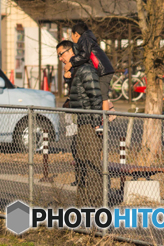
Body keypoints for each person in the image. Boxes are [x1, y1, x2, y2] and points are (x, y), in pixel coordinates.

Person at [59, 40, 103, 206]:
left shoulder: (86, 70)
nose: (60, 59)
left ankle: (95, 205)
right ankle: (83, 204)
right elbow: (76, 94)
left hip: (89, 124)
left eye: (61, 54)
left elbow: (95, 97)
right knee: (81, 165)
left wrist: (96, 123)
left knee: (91, 165)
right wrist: (67, 77)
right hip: (81, 123)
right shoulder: (76, 71)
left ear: (71, 51)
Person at [71, 21, 115, 115]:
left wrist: (72, 61)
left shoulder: (85, 39)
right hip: (104, 70)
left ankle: (104, 121)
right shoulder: (88, 37)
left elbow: (84, 55)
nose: (71, 38)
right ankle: (105, 117)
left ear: (76, 34)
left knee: (103, 96)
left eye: (71, 35)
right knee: (100, 94)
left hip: (104, 71)